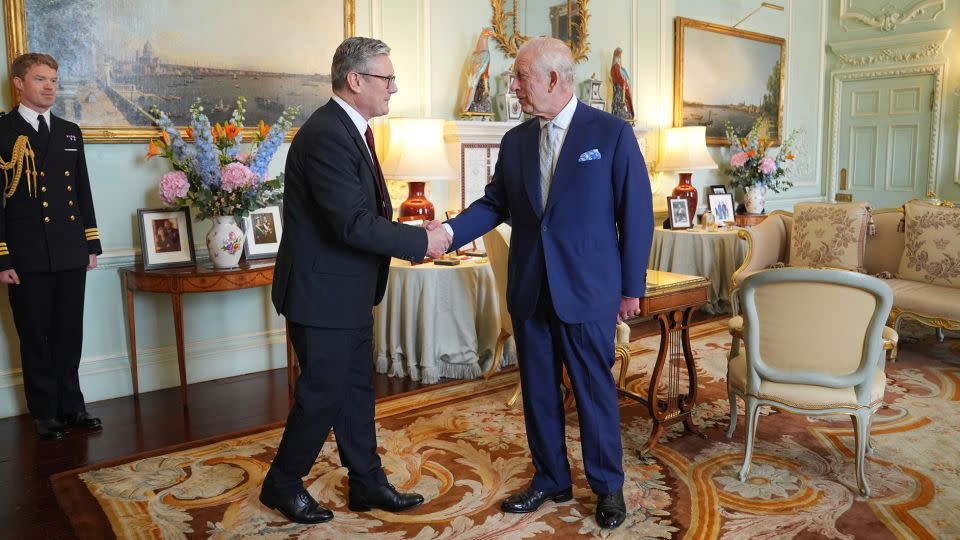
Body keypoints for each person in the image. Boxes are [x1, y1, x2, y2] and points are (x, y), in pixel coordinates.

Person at [439, 37, 653, 530]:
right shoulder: (515, 141)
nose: (513, 86)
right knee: (538, 390)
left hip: (588, 290)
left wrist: (630, 288)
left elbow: (636, 217)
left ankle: (607, 486)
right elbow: (495, 205)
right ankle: (551, 477)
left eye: (519, 77)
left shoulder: (612, 134)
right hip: (532, 288)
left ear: (553, 79)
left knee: (593, 389)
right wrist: (446, 233)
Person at [261, 37, 450, 525]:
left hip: (348, 290)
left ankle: (366, 481)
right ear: (356, 80)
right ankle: (281, 484)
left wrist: (414, 234)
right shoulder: (327, 133)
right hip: (321, 293)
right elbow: (352, 223)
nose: (393, 88)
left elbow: (365, 214)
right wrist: (418, 242)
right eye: (386, 78)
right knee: (322, 392)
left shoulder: (351, 130)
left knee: (354, 390)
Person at [0, 53, 103, 440]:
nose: (50, 87)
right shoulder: (3, 131)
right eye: (41, 79)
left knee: (68, 332)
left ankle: (72, 405)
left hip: (69, 249)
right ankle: (45, 411)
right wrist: (2, 256)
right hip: (25, 254)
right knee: (35, 334)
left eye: (54, 80)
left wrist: (90, 244)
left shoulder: (69, 130)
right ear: (19, 83)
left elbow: (82, 192)